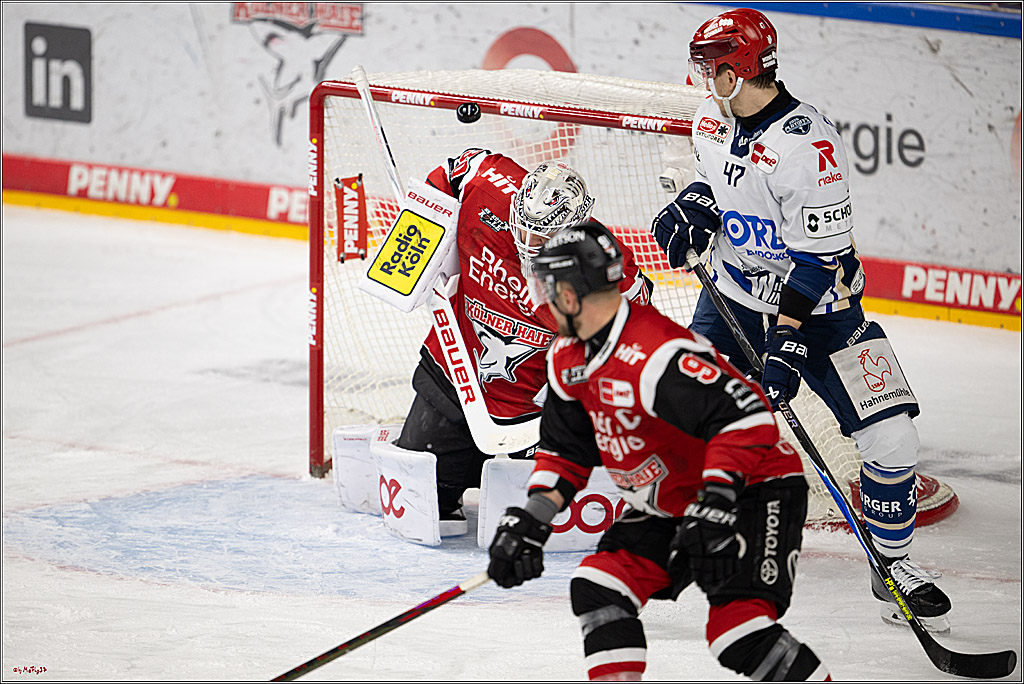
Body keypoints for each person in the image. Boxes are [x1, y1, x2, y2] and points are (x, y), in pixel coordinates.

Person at [650, 7, 950, 632]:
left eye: (714, 68)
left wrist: (786, 342)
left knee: (891, 438)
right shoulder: (712, 116)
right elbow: (713, 180)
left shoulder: (810, 147)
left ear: (744, 66)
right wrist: (692, 210)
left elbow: (820, 261)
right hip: (732, 297)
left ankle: (893, 567)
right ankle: (674, 547)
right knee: (680, 417)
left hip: (819, 313)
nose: (705, 80)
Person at [487, 220, 830, 681]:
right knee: (598, 587)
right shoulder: (567, 359)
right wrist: (532, 519)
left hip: (753, 490)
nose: (540, 301)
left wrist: (716, 502)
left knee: (739, 634)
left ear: (569, 294)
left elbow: (746, 418)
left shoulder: (655, 354)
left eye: (547, 289)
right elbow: (565, 452)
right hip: (677, 500)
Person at [395, 149, 653, 535]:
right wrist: (418, 238)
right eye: (524, 226)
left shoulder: (602, 265)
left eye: (545, 235)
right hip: (456, 371)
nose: (530, 242)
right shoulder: (489, 185)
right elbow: (454, 169)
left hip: (533, 410)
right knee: (423, 504)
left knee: (531, 529)